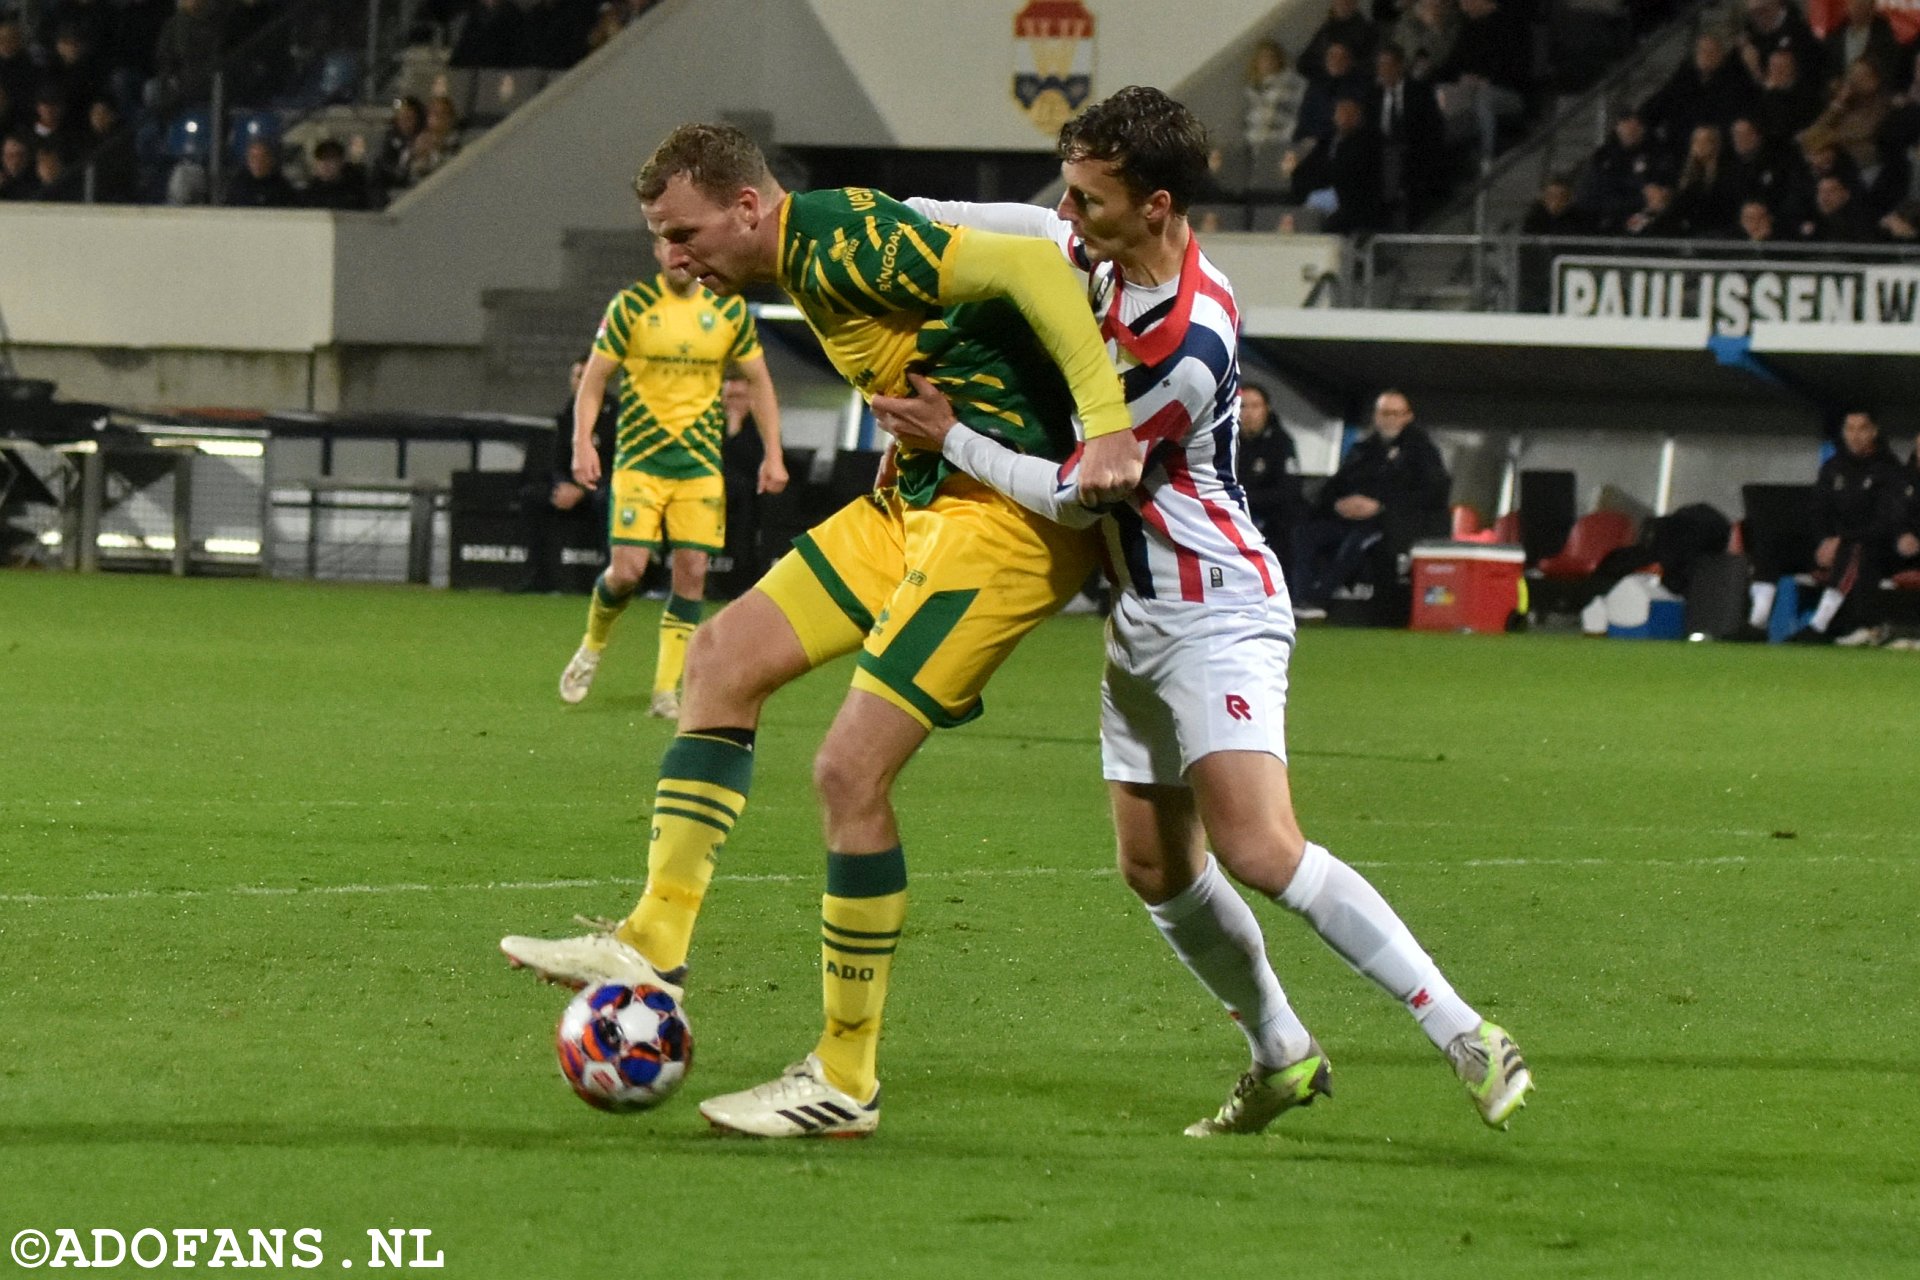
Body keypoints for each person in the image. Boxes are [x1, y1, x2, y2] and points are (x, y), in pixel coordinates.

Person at [871, 87, 1531, 1136]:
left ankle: (1465, 1031)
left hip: (1214, 605)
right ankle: (1281, 1053)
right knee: (1154, 865)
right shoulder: (1095, 244)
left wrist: (946, 434)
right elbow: (956, 220)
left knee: (1261, 848)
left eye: (1090, 199)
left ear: (1159, 203)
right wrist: (852, 224)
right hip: (1141, 615)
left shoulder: (1186, 343)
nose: (1069, 214)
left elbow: (1080, 487)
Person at [500, 121, 1140, 1137]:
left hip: (1001, 525)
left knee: (849, 771)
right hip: (922, 497)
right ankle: (653, 940)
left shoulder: (837, 238)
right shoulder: (805, 262)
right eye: (661, 239)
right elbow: (952, 321)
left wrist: (1106, 423)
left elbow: (1028, 262)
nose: (672, 259)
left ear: (747, 207)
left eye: (684, 232)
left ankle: (845, 1077)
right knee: (719, 658)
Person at [556, 245, 786, 718]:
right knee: (626, 573)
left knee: (693, 574)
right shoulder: (631, 306)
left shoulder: (728, 310)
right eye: (669, 244)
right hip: (640, 463)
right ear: (658, 250)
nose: (678, 255)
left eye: (687, 246)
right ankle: (592, 645)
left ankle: (665, 691)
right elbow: (596, 380)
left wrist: (773, 454)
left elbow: (759, 381)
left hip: (699, 466)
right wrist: (583, 442)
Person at [1291, 389, 1451, 616]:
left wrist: (1381, 505)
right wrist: (1337, 504)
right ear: (1376, 416)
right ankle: (1299, 597)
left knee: (1358, 542)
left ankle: (1318, 600)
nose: (1391, 419)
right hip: (1349, 519)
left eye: (1397, 413)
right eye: (1385, 413)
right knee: (1305, 534)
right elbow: (1335, 485)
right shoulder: (1362, 449)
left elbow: (1433, 493)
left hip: (1391, 523)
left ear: (1408, 417)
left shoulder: (1422, 452)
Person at [1785, 411, 1903, 643]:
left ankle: (1818, 626)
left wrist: (1841, 540)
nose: (1855, 435)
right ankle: (1754, 623)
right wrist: (1825, 540)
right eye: (1850, 429)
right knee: (1774, 547)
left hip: (1877, 548)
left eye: (1861, 429)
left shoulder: (1888, 469)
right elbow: (1818, 509)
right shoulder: (1833, 466)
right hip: (1833, 543)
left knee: (1853, 549)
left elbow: (1886, 522)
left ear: (1873, 432)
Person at [1236, 381, 1304, 563]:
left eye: (1255, 406)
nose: (1248, 413)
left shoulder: (1280, 442)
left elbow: (1289, 490)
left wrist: (1245, 499)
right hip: (1232, 514)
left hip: (1271, 519)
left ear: (1266, 409)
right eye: (1243, 406)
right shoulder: (1225, 443)